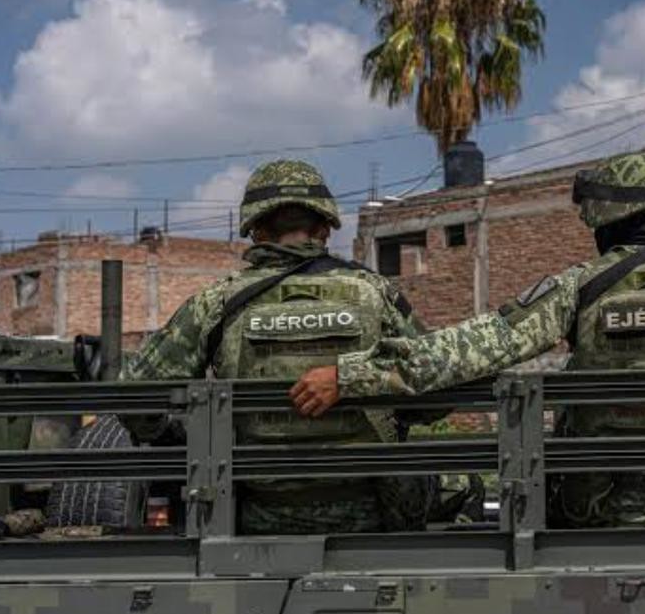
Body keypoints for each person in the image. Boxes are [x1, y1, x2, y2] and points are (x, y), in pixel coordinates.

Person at [290, 151, 645, 527]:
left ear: (602, 218)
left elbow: (470, 349)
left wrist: (351, 374)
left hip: (595, 509)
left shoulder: (580, 289)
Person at [121, 159, 429, 534]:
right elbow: (432, 393)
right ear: (324, 229)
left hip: (257, 521)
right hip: (369, 518)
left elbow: (135, 400)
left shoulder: (216, 303)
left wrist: (173, 435)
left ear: (257, 231)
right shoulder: (376, 294)